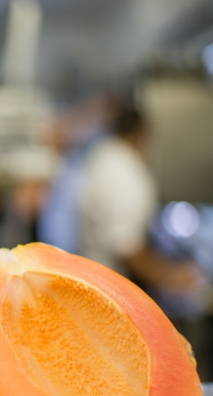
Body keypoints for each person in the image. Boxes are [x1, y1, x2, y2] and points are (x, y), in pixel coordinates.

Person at [78, 105, 198, 289]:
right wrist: (172, 277)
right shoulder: (126, 173)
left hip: (93, 278)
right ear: (140, 134)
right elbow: (127, 249)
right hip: (114, 287)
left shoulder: (101, 158)